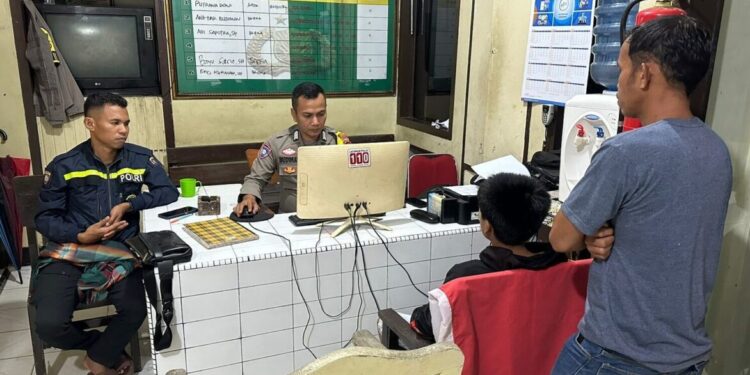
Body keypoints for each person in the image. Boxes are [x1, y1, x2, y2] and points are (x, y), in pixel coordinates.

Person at [550, 16, 732, 374]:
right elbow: (660, 227)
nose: (618, 82)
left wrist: (587, 232)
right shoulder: (717, 151)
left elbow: (560, 238)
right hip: (685, 361)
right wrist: (598, 235)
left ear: (644, 74)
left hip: (612, 358)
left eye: (622, 69)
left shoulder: (625, 151)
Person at [34, 93, 179, 375]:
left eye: (126, 123)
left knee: (135, 310)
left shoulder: (139, 158)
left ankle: (98, 361)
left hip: (122, 251)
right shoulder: (66, 165)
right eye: (114, 123)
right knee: (50, 326)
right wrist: (80, 234)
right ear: (90, 123)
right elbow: (45, 218)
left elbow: (168, 191)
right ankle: (101, 347)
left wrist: (130, 204)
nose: (123, 130)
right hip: (71, 251)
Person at [409, 173, 569, 340]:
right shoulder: (561, 266)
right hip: (542, 360)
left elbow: (426, 324)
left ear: (487, 227)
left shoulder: (467, 277)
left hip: (478, 364)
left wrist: (418, 315)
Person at [234, 82, 350, 215]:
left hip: (333, 214)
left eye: (321, 114)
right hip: (291, 219)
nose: (316, 122)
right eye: (307, 116)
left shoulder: (337, 141)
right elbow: (255, 179)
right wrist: (249, 197)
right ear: (294, 115)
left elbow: (353, 181)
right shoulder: (278, 143)